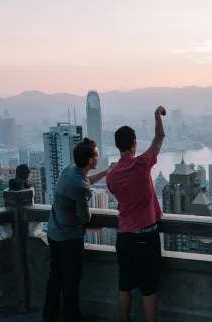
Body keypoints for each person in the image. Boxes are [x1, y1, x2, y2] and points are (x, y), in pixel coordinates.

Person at [106, 106, 166, 322]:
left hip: (123, 238)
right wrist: (157, 115)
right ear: (134, 144)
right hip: (146, 237)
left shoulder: (111, 175)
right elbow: (159, 137)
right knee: (148, 290)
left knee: (124, 287)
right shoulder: (142, 164)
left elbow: (116, 193)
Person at [43, 138, 110, 322]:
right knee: (71, 281)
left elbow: (85, 181)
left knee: (55, 277)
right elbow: (85, 217)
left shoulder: (69, 171)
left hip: (53, 233)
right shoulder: (80, 187)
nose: (98, 157)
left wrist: (105, 173)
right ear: (90, 160)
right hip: (69, 239)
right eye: (96, 154)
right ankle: (72, 316)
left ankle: (50, 315)